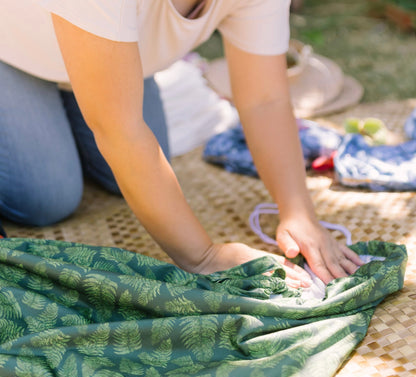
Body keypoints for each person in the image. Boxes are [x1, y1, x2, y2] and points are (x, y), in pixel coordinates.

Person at [0, 0, 363, 287]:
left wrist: (298, 211)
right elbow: (118, 128)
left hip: (93, 48)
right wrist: (204, 256)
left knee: (129, 176)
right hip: (11, 48)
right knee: (49, 197)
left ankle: (75, 95)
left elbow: (264, 100)